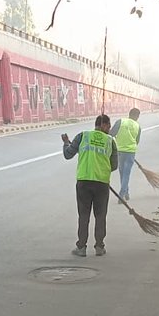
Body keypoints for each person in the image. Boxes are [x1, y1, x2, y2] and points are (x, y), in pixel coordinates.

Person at [62, 115, 118, 257]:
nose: (109, 129)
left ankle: (81, 247)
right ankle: (99, 246)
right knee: (100, 215)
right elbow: (114, 166)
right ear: (103, 125)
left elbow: (68, 155)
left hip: (84, 182)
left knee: (83, 215)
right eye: (109, 126)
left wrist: (66, 143)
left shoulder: (82, 136)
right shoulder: (111, 141)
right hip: (102, 184)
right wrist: (101, 168)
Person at [110, 107, 141, 200]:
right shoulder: (138, 126)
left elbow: (111, 134)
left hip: (120, 151)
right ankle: (124, 192)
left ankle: (123, 192)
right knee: (126, 173)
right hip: (131, 152)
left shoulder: (120, 122)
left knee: (122, 172)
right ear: (137, 116)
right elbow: (137, 141)